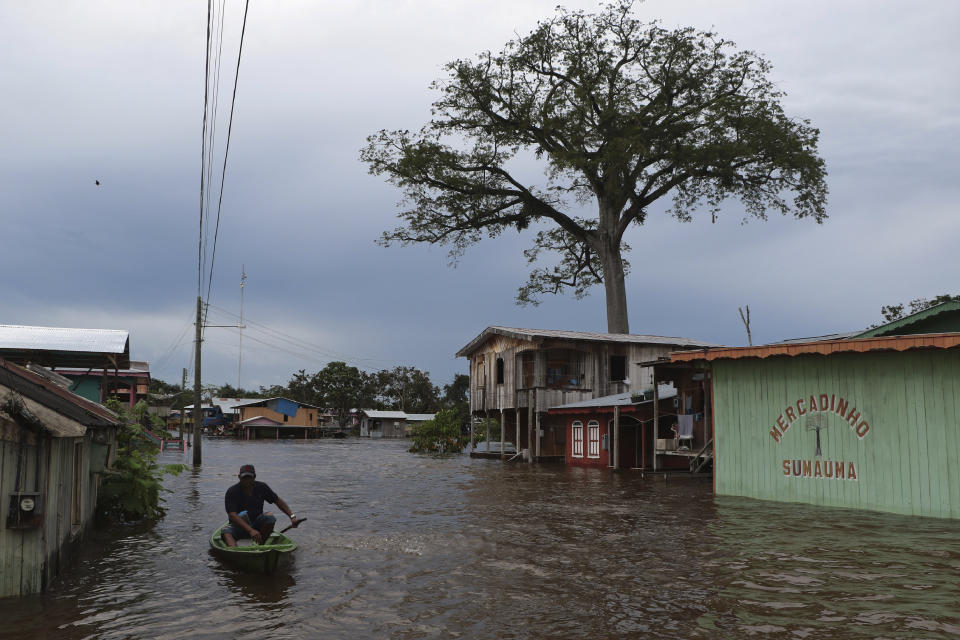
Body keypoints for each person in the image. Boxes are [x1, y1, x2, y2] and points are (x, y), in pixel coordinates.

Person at [222, 464, 299, 546]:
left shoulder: (262, 487)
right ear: (239, 477)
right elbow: (232, 515)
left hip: (257, 525)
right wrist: (250, 530)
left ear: (254, 477)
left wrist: (292, 516)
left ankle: (261, 545)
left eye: (249, 477)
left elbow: (277, 501)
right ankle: (235, 552)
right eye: (244, 477)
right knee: (226, 532)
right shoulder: (232, 491)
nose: (247, 480)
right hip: (238, 526)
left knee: (270, 517)